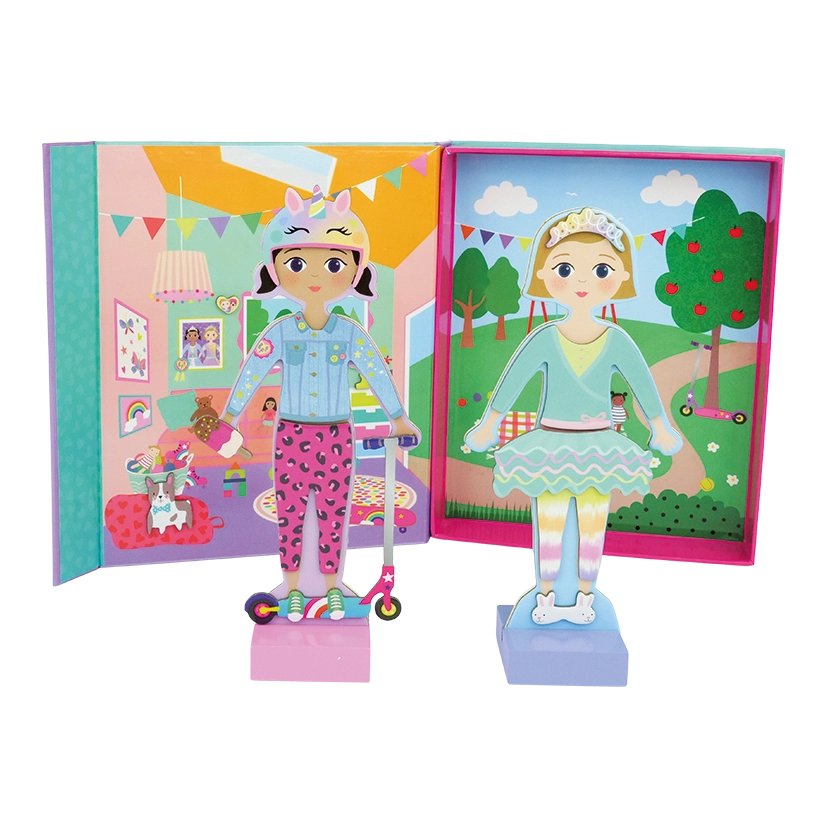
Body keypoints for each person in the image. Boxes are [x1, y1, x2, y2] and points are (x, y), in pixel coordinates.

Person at [466, 207, 682, 625]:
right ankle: (546, 596)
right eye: (566, 269)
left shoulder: (616, 339)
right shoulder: (546, 337)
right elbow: (514, 380)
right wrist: (489, 424)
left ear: (621, 277)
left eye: (601, 270)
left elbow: (642, 383)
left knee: (592, 523)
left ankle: (585, 598)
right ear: (544, 275)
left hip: (600, 444)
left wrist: (661, 426)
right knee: (549, 523)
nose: (583, 282)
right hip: (549, 441)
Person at [223, 186, 418, 622]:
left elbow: (376, 372)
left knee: (334, 513)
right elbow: (252, 371)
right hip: (291, 435)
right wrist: (230, 416)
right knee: (290, 513)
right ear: (276, 268)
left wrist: (398, 417)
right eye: (296, 263)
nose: (314, 276)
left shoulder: (348, 333)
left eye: (332, 264)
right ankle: (293, 588)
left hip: (336, 436)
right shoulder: (280, 331)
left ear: (353, 270)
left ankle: (332, 588)